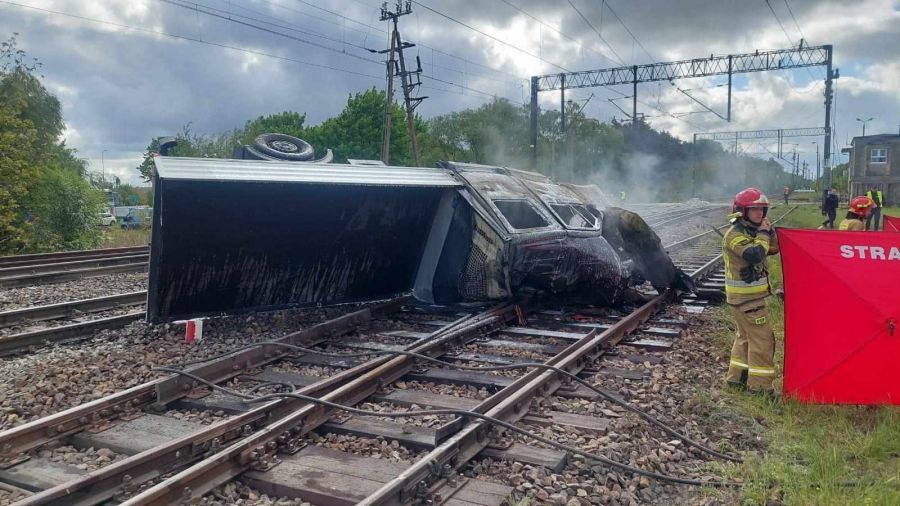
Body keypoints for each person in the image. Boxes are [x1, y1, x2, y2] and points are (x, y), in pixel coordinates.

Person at [723, 188, 780, 398]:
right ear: (742, 211)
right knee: (762, 341)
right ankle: (761, 389)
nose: (759, 214)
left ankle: (736, 380)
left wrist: (768, 231)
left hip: (745, 300)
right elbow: (756, 254)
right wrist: (763, 234)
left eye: (762, 210)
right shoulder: (735, 235)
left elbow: (772, 249)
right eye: (754, 209)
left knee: (744, 338)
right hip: (748, 301)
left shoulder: (750, 232)